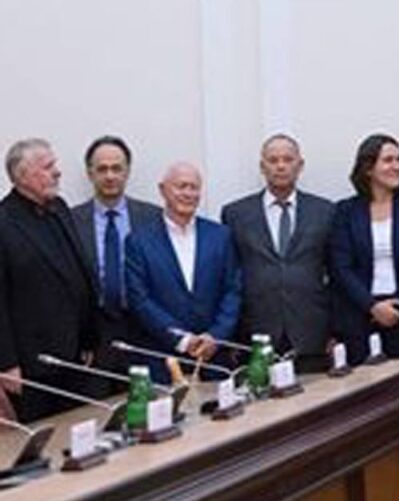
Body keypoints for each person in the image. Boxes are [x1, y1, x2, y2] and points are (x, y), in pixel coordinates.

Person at [0, 139, 100, 421]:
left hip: (75, 356)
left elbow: (77, 273)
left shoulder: (59, 208)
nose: (57, 172)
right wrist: (6, 364)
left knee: (80, 432)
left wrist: (89, 338)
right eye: (47, 167)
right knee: (44, 439)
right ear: (22, 175)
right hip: (33, 364)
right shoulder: (4, 221)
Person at [221, 134, 335, 372]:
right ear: (262, 167)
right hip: (255, 335)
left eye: (287, 159)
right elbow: (228, 278)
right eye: (273, 160)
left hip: (312, 334)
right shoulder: (236, 214)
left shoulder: (325, 211)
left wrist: (336, 331)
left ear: (300, 165)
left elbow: (336, 274)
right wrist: (230, 335)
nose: (280, 166)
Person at [125, 162, 242, 379]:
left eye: (194, 187)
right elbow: (139, 299)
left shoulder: (220, 235)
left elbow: (233, 291)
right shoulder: (139, 241)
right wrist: (182, 339)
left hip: (214, 360)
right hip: (163, 360)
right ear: (163, 190)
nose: (188, 194)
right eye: (181, 186)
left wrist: (216, 336)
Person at [330, 134, 399, 365]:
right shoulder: (345, 211)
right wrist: (373, 306)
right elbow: (341, 268)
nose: (396, 166)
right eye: (388, 160)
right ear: (368, 168)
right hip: (359, 318)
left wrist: (398, 302)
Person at [72, 136, 162, 379]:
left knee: (147, 397)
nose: (110, 176)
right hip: (95, 332)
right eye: (102, 169)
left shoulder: (153, 217)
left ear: (127, 171)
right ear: (90, 173)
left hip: (144, 328)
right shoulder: (71, 221)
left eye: (116, 168)